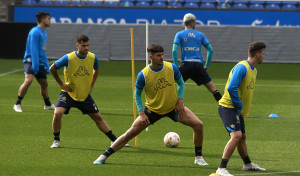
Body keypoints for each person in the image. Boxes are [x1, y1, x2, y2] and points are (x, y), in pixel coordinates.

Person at [93, 43, 208, 166]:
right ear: (151, 57)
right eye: (159, 55)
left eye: (162, 55)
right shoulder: (143, 74)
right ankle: (103, 156)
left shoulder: (172, 67)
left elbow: (181, 84)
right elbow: (137, 94)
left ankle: (198, 157)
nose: (162, 57)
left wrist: (180, 101)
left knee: (199, 125)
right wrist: (141, 113)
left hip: (173, 108)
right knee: (130, 133)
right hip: (152, 111)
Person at [49, 34, 128, 148]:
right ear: (77, 45)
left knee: (98, 118)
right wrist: (61, 84)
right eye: (83, 46)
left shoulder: (93, 57)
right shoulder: (68, 58)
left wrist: (91, 85)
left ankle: (114, 140)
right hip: (69, 93)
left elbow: (97, 68)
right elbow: (52, 68)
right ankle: (56, 141)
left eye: (88, 45)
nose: (86, 48)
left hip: (84, 95)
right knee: (57, 113)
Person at [215, 42, 267, 176]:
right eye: (263, 53)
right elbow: (231, 87)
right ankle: (221, 168)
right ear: (257, 54)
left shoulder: (254, 70)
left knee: (242, 137)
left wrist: (241, 110)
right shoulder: (242, 68)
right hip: (228, 107)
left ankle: (247, 164)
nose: (264, 56)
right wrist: (239, 105)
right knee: (236, 135)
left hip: (237, 110)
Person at [172, 13, 222, 102]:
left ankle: (172, 108)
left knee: (172, 86)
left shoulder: (179, 34)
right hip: (198, 65)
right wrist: (206, 65)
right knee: (213, 89)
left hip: (186, 65)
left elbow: (174, 51)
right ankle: (226, 108)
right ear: (192, 23)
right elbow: (210, 50)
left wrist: (176, 66)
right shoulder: (200, 35)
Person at [13, 11, 55, 112]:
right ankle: (17, 104)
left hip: (39, 62)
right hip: (31, 61)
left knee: (44, 84)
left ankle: (47, 104)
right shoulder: (35, 32)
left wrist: (45, 65)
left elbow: (42, 51)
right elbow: (34, 50)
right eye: (48, 19)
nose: (50, 20)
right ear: (43, 19)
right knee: (28, 80)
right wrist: (35, 67)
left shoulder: (44, 33)